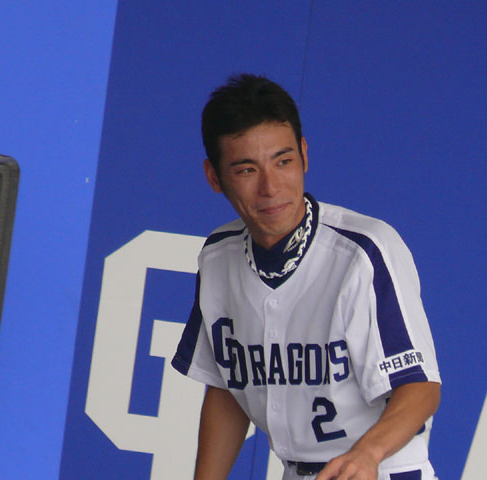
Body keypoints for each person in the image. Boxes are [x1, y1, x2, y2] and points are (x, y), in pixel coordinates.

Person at [171, 73, 441, 480]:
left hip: (382, 468)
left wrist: (367, 455)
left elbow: (420, 387)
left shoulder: (363, 252)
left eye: (284, 161)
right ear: (214, 177)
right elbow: (227, 390)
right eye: (247, 170)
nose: (271, 187)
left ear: (304, 156)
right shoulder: (218, 258)